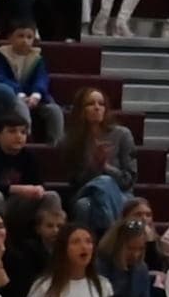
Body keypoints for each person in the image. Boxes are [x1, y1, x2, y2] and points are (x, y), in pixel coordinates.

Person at [50, 88, 138, 237]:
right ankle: (112, 239)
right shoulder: (70, 140)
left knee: (87, 205)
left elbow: (129, 181)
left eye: (101, 104)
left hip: (120, 193)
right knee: (95, 191)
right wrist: (95, 166)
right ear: (81, 110)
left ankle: (101, 242)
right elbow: (75, 181)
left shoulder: (122, 134)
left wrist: (106, 167)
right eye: (90, 104)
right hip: (86, 192)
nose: (97, 107)